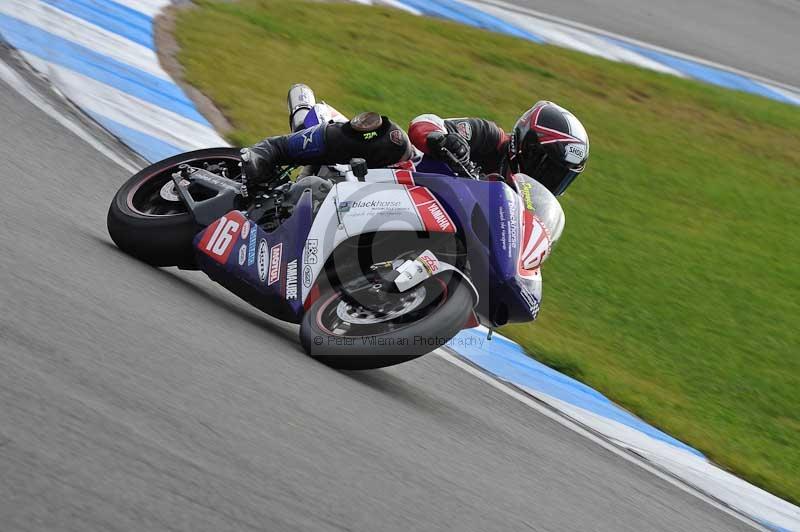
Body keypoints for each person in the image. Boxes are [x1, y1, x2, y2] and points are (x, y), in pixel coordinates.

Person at [240, 86, 589, 199]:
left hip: (430, 223)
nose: (548, 181)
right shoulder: (490, 137)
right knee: (391, 138)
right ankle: (269, 150)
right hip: (399, 178)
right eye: (547, 168)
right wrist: (446, 140)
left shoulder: (525, 209)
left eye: (560, 177)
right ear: (525, 146)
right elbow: (425, 122)